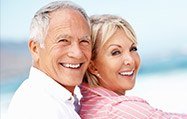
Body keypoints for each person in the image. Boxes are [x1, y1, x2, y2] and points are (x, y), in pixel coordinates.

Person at [79, 14, 187, 119]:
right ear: (92, 67)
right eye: (116, 52)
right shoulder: (118, 110)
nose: (130, 60)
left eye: (133, 49)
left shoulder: (85, 106)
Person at [7, 1, 92, 119]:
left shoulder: (60, 100)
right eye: (63, 41)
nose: (77, 53)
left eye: (84, 41)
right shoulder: (43, 108)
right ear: (35, 49)